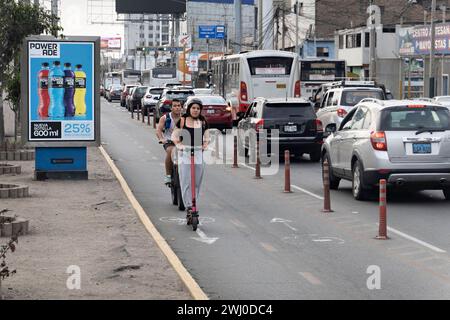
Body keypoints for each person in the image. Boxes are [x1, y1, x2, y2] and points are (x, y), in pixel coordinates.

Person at [172, 99, 210, 218]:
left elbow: (207, 136)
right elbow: (175, 136)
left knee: (197, 180)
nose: (195, 110)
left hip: (198, 152)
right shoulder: (182, 120)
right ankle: (189, 205)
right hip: (185, 153)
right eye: (193, 108)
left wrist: (205, 145)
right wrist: (179, 146)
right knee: (186, 180)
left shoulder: (203, 121)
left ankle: (194, 202)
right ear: (189, 109)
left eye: (198, 108)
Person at [156, 99, 183, 185]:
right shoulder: (165, 118)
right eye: (175, 106)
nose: (177, 108)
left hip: (181, 142)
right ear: (171, 108)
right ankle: (168, 175)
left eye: (179, 106)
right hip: (169, 141)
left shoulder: (185, 118)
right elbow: (158, 131)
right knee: (171, 151)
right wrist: (161, 139)